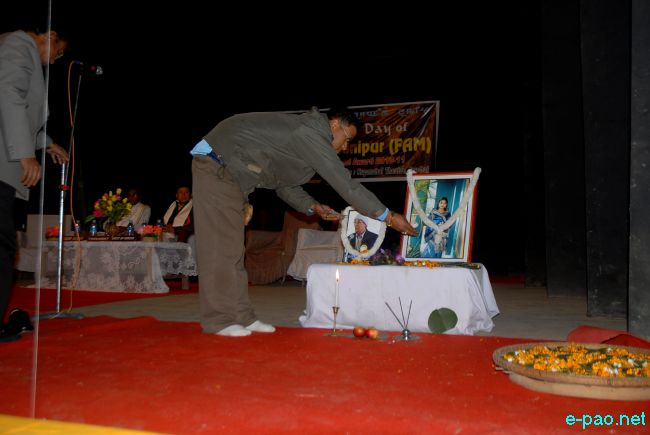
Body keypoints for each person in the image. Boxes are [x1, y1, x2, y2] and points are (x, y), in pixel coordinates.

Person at [190, 106, 417, 337]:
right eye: (347, 139)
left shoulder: (306, 141)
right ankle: (218, 319)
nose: (346, 147)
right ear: (334, 125)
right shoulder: (309, 133)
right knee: (220, 248)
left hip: (233, 175)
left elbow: (282, 184)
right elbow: (344, 183)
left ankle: (241, 316)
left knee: (234, 251)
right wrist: (387, 216)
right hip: (216, 165)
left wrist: (313, 206)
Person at [0, 26, 70, 342]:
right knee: (3, 246)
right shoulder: (18, 43)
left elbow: (22, 117)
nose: (55, 61)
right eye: (59, 52)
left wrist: (46, 142)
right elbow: (8, 93)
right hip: (3, 164)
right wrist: (25, 153)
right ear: (50, 36)